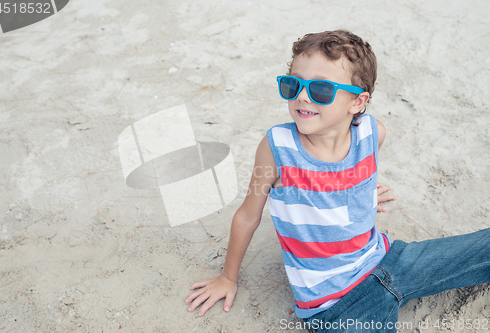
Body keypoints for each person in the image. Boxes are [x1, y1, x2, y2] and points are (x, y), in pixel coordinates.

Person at [185, 30, 490, 332]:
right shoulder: (277, 148)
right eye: (293, 84)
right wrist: (227, 277)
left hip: (389, 262)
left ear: (357, 103)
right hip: (336, 304)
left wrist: (363, 194)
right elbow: (248, 216)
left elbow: (349, 176)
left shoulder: (372, 132)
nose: (302, 96)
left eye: (320, 89)